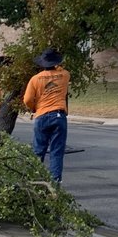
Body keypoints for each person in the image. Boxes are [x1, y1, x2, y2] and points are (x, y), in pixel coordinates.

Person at [23, 47, 70, 182]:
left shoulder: (35, 79)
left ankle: (33, 180)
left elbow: (27, 100)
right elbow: (61, 69)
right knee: (56, 151)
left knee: (38, 150)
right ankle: (55, 183)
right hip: (59, 115)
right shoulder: (65, 75)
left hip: (41, 115)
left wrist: (34, 108)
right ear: (56, 62)